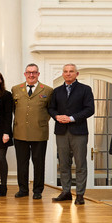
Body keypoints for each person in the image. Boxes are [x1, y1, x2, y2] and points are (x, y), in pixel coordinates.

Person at [48, 63, 94, 205]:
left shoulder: (85, 89)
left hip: (78, 131)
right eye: (65, 71)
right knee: (63, 164)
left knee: (80, 164)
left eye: (71, 71)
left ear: (76, 74)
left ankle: (80, 195)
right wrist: (57, 117)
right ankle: (66, 192)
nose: (68, 74)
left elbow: (89, 109)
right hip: (61, 131)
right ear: (62, 74)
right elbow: (51, 108)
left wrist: (72, 118)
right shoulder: (57, 91)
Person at [11, 63, 53, 200]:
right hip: (20, 132)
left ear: (38, 74)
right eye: (29, 72)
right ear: (25, 74)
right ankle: (23, 189)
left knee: (39, 163)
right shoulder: (16, 89)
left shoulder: (47, 90)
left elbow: (50, 110)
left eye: (34, 72)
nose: (31, 75)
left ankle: (37, 190)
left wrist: (40, 121)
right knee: (22, 163)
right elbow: (14, 109)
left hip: (39, 133)